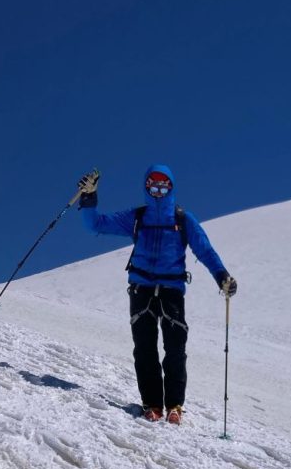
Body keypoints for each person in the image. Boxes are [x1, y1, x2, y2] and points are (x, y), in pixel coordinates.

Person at [77, 164, 237, 423]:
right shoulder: (137, 217)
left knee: (175, 348)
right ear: (146, 187)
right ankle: (152, 403)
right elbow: (96, 224)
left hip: (172, 290)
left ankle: (174, 405)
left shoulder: (183, 219)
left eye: (164, 185)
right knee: (145, 348)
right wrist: (89, 197)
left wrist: (222, 277)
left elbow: (204, 250)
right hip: (141, 289)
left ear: (171, 188)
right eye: (154, 185)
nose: (159, 190)